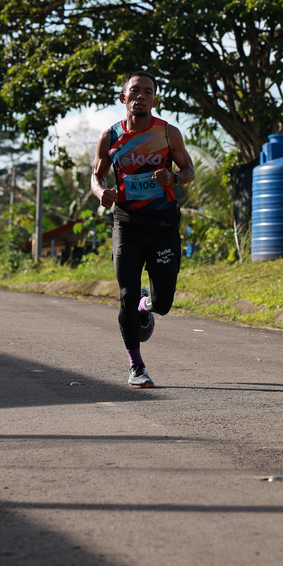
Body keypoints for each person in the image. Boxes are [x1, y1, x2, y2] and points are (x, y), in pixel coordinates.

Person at [91, 72, 195, 388]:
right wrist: (101, 192)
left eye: (147, 92)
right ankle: (136, 366)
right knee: (126, 294)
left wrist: (173, 178)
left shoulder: (168, 133)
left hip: (162, 225)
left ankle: (145, 306)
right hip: (127, 224)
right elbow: (97, 175)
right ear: (123, 98)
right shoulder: (110, 137)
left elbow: (188, 170)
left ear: (154, 100)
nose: (141, 96)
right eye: (134, 91)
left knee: (163, 303)